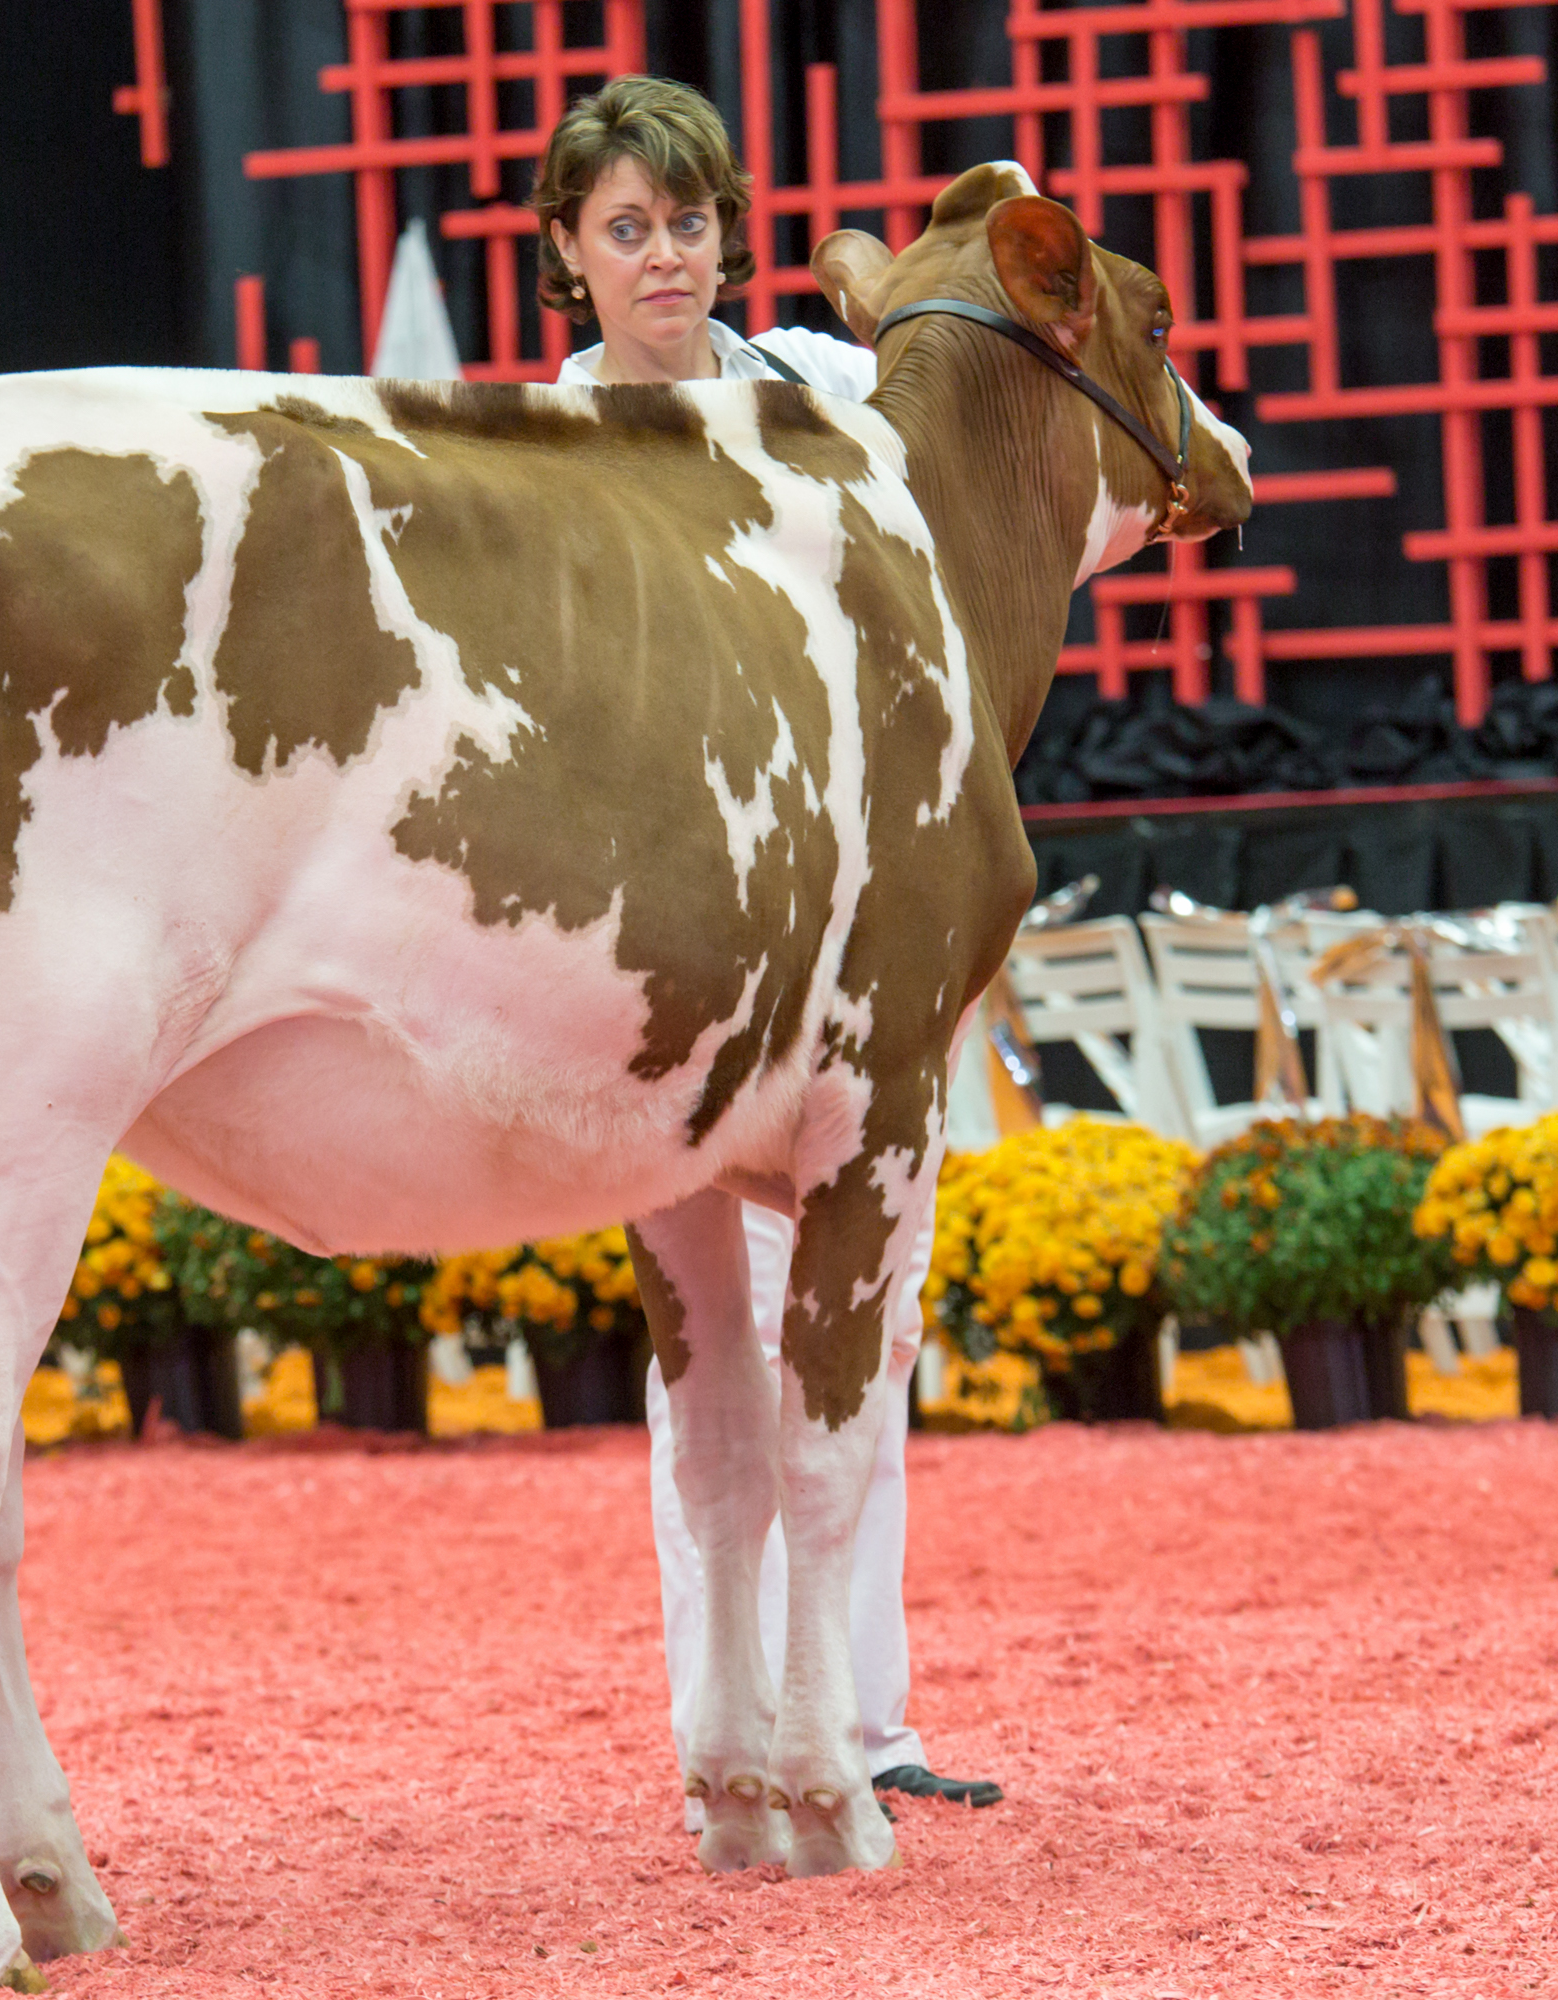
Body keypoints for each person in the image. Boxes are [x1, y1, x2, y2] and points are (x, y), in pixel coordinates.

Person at [528, 73, 1002, 1823]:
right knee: (707, 1356)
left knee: (867, 1323)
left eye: (691, 221)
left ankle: (866, 1724)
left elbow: (976, 462)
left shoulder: (819, 384)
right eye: (628, 229)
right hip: (658, 957)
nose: (667, 256)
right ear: (569, 254)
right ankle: (725, 1732)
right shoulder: (539, 449)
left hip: (843, 935)